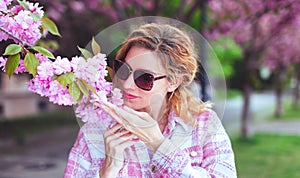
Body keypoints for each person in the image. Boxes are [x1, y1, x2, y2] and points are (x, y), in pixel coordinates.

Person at [64, 23, 237, 178]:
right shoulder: (95, 130)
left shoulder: (204, 124)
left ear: (173, 82)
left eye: (144, 78)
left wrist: (159, 145)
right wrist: (107, 172)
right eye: (123, 70)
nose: (127, 84)